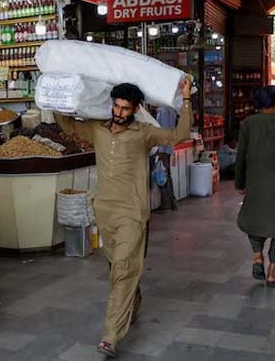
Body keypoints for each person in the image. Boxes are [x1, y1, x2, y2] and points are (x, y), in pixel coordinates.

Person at [55, 79, 193, 358]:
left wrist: (186, 99)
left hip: (133, 211)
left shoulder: (144, 133)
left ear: (136, 109)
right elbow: (68, 125)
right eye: (116, 107)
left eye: (125, 109)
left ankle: (110, 335)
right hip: (104, 210)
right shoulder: (97, 129)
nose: (119, 113)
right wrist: (56, 92)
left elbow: (178, 134)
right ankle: (134, 298)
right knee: (118, 265)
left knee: (122, 267)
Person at [235, 86, 275, 287]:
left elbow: (240, 155)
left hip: (255, 182)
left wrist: (239, 182)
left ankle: (257, 257)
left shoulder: (247, 124)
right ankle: (272, 272)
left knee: (254, 220)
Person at [154, 105, 179, 211]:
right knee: (166, 175)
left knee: (162, 176)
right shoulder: (171, 110)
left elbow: (164, 132)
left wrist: (160, 150)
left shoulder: (163, 110)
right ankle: (172, 203)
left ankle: (166, 204)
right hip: (167, 148)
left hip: (163, 149)